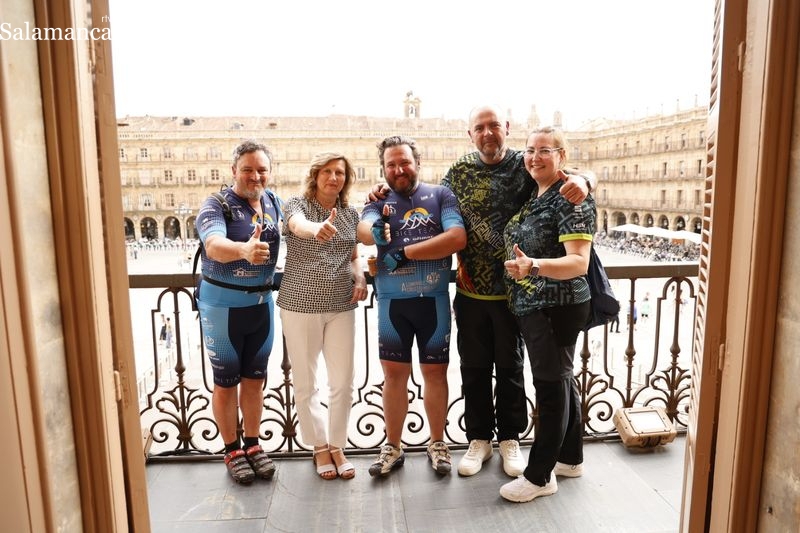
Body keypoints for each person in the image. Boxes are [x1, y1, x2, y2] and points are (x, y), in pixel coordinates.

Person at [441, 105, 594, 478]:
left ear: (506, 129)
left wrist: (588, 179)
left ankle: (510, 439)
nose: (488, 133)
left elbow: (565, 181)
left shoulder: (524, 164)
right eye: (480, 127)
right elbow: (431, 203)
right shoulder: (459, 171)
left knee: (511, 369)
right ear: (471, 134)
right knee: (474, 369)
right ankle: (478, 440)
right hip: (471, 290)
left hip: (516, 293)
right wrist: (383, 196)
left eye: (494, 126)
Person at [358, 135, 467, 476]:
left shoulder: (440, 196)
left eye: (404, 162)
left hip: (432, 301)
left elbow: (456, 238)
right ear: (383, 170)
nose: (398, 169)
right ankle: (393, 446)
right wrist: (374, 231)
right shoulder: (378, 200)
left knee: (435, 374)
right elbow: (363, 230)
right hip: (393, 305)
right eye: (391, 164)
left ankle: (437, 442)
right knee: (393, 376)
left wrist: (404, 252)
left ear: (417, 163)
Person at [499, 126, 595, 503]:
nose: (534, 157)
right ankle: (570, 458)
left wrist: (533, 266)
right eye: (529, 150)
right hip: (538, 304)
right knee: (562, 377)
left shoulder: (571, 197)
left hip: (556, 304)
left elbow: (578, 263)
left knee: (550, 386)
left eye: (545, 150)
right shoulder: (539, 192)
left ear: (562, 156)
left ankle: (540, 477)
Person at [276, 152, 368, 481]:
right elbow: (296, 226)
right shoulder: (296, 204)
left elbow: (355, 255)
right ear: (315, 175)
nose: (334, 177)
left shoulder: (350, 213)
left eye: (340, 172)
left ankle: (338, 445)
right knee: (305, 382)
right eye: (327, 171)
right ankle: (318, 446)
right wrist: (316, 229)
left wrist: (359, 277)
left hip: (342, 305)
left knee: (343, 381)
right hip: (300, 305)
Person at [194, 140, 282, 484]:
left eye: (261, 169)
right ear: (234, 171)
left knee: (254, 381)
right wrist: (244, 249)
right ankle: (231, 448)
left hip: (261, 307)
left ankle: (253, 444)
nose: (255, 176)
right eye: (247, 169)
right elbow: (214, 244)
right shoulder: (216, 205)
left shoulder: (274, 202)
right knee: (226, 383)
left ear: (269, 172)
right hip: (222, 309)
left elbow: (302, 218)